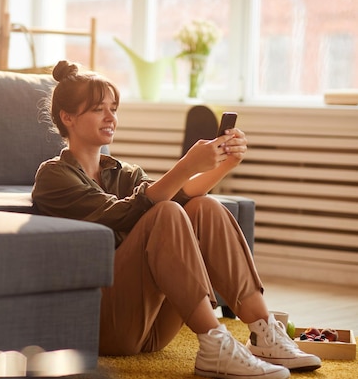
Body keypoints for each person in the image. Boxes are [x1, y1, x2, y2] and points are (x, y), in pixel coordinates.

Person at [31, 60, 321, 379]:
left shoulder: (126, 173)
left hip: (154, 327)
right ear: (67, 117)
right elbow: (121, 215)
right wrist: (185, 165)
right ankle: (215, 345)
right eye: (99, 109)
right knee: (166, 211)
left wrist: (224, 163)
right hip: (106, 325)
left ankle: (264, 333)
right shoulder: (54, 176)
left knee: (203, 207)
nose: (111, 117)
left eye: (113, 108)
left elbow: (180, 196)